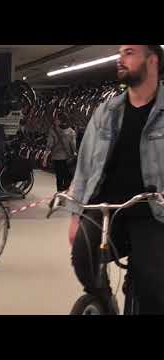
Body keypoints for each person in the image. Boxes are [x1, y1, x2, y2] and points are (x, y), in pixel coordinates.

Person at [68, 45, 164, 314]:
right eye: (120, 52)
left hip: (152, 212)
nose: (120, 59)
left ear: (152, 61)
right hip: (105, 209)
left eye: (129, 52)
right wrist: (76, 214)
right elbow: (85, 167)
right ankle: (104, 301)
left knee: (153, 282)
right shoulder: (107, 111)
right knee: (82, 256)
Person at [45, 115, 76, 191]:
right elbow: (73, 146)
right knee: (67, 176)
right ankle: (65, 191)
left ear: (61, 121)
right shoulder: (71, 131)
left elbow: (49, 145)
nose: (55, 121)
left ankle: (59, 192)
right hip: (68, 158)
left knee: (59, 177)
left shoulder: (52, 131)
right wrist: (74, 153)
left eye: (57, 119)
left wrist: (45, 157)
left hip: (57, 158)